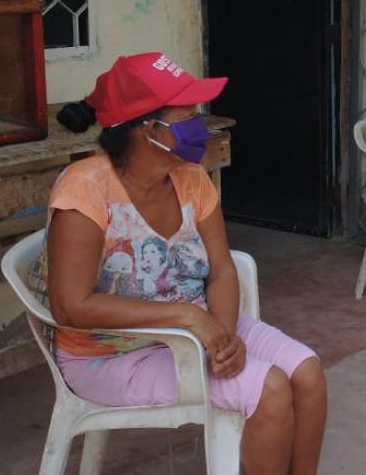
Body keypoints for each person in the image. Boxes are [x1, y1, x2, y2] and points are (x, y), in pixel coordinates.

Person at [45, 52, 326, 475]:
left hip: (199, 326)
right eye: (187, 115)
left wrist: (224, 336)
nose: (200, 125)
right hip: (113, 353)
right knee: (268, 389)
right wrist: (185, 315)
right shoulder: (85, 190)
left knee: (307, 374)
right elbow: (71, 306)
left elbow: (223, 269)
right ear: (146, 128)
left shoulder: (191, 177)